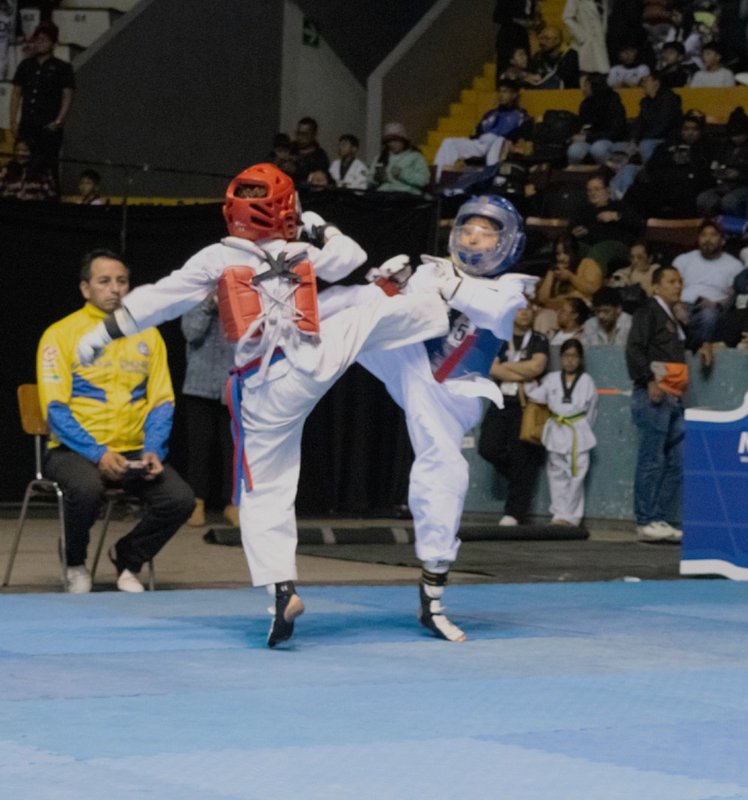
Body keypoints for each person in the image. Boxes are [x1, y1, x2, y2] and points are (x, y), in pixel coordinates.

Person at [73, 164, 451, 647]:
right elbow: (348, 255)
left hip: (269, 388)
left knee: (263, 490)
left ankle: (281, 588)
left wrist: (103, 333)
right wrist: (320, 227)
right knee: (362, 303)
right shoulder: (302, 250)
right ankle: (436, 302)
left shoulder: (216, 257)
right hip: (318, 357)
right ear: (285, 211)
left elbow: (159, 301)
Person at [319, 195, 533, 642]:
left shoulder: (509, 289)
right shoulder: (432, 270)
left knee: (443, 469)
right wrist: (390, 286)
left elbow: (491, 312)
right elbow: (405, 309)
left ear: (506, 243)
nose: (473, 237)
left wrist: (442, 285)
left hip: (448, 394)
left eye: (485, 231)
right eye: (468, 229)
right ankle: (284, 319)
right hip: (408, 359)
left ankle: (432, 593)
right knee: (359, 300)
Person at [37, 249, 194, 594]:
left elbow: (161, 401)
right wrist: (97, 453)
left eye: (121, 281)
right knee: (87, 488)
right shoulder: (60, 335)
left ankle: (128, 557)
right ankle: (75, 561)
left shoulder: (147, 334)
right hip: (73, 450)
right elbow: (55, 409)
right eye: (104, 282)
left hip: (134, 449)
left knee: (180, 499)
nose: (115, 289)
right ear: (85, 289)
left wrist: (153, 450)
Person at [625, 265, 713, 543]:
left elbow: (683, 344)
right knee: (652, 459)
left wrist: (702, 341)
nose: (678, 286)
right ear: (656, 286)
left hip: (674, 396)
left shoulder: (674, 317)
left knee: (676, 461)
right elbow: (635, 348)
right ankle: (645, 519)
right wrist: (649, 379)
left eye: (680, 281)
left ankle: (660, 517)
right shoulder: (648, 312)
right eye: (671, 281)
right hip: (655, 393)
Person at [479, 299, 550, 526]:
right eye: (520, 309)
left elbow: (536, 367)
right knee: (488, 447)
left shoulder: (539, 339)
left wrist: (506, 369)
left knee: (523, 455)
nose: (525, 313)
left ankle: (514, 512)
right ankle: (519, 480)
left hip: (524, 403)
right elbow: (491, 368)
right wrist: (521, 370)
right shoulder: (500, 337)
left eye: (529, 309)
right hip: (500, 400)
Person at [180, 292, 238, 530]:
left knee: (233, 449)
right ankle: (197, 502)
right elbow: (190, 332)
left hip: (232, 384)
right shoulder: (194, 297)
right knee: (198, 449)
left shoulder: (239, 294)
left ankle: (233, 504)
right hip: (199, 385)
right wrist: (208, 303)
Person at [525, 339, 598, 526]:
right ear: (561, 358)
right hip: (557, 429)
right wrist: (528, 379)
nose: (570, 360)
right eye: (566, 356)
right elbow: (536, 395)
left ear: (580, 359)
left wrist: (582, 426)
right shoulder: (552, 378)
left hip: (577, 431)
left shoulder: (587, 380)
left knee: (576, 475)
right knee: (556, 474)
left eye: (574, 356)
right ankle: (558, 515)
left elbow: (592, 411)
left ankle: (572, 516)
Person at [433, 79, 532, 181]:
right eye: (500, 91)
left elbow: (525, 137)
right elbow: (477, 133)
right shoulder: (490, 114)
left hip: (502, 144)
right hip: (482, 143)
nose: (501, 95)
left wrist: (515, 143)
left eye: (505, 91)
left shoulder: (521, 116)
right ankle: (438, 178)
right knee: (449, 142)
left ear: (514, 95)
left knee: (498, 141)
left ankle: (489, 178)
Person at [10, 21, 73, 172]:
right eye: (37, 39)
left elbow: (67, 96)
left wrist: (59, 120)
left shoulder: (62, 67)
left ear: (54, 44)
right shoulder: (26, 65)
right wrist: (13, 120)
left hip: (48, 125)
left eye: (44, 40)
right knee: (22, 162)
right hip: (27, 123)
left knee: (48, 165)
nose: (39, 43)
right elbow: (16, 93)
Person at [672, 220, 744, 343]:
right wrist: (677, 306)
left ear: (722, 240)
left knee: (709, 315)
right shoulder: (684, 259)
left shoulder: (734, 265)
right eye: (703, 235)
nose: (707, 239)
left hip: (713, 308)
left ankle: (699, 354)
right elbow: (670, 287)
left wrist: (717, 305)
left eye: (713, 235)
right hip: (683, 304)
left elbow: (733, 295)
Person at [567, 74, 628, 166]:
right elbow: (586, 126)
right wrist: (581, 133)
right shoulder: (585, 104)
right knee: (574, 150)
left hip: (612, 139)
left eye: (586, 85)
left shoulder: (614, 103)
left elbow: (615, 132)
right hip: (591, 139)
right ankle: (577, 176)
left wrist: (588, 137)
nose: (583, 89)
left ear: (595, 86)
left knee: (598, 149)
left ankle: (610, 172)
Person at [536, 234, 603, 311]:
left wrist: (570, 277)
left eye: (566, 253)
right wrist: (551, 271)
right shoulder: (557, 271)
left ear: (574, 251)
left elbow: (594, 289)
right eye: (558, 254)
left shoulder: (587, 263)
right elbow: (542, 300)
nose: (561, 258)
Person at [370, 122, 430, 195]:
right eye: (388, 141)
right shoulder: (380, 157)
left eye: (395, 140)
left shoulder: (415, 156)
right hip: (383, 194)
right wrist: (375, 179)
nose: (391, 144)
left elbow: (424, 180)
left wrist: (402, 174)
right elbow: (368, 179)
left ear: (403, 140)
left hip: (406, 195)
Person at [563, 0, 610, 75]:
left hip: (601, 45)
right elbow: (567, 18)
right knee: (586, 76)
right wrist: (582, 36)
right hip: (583, 46)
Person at [289, 117, 330, 183]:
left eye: (304, 134)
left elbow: (319, 181)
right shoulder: (290, 149)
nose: (300, 137)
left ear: (314, 134)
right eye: (298, 133)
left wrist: (295, 171)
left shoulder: (320, 157)